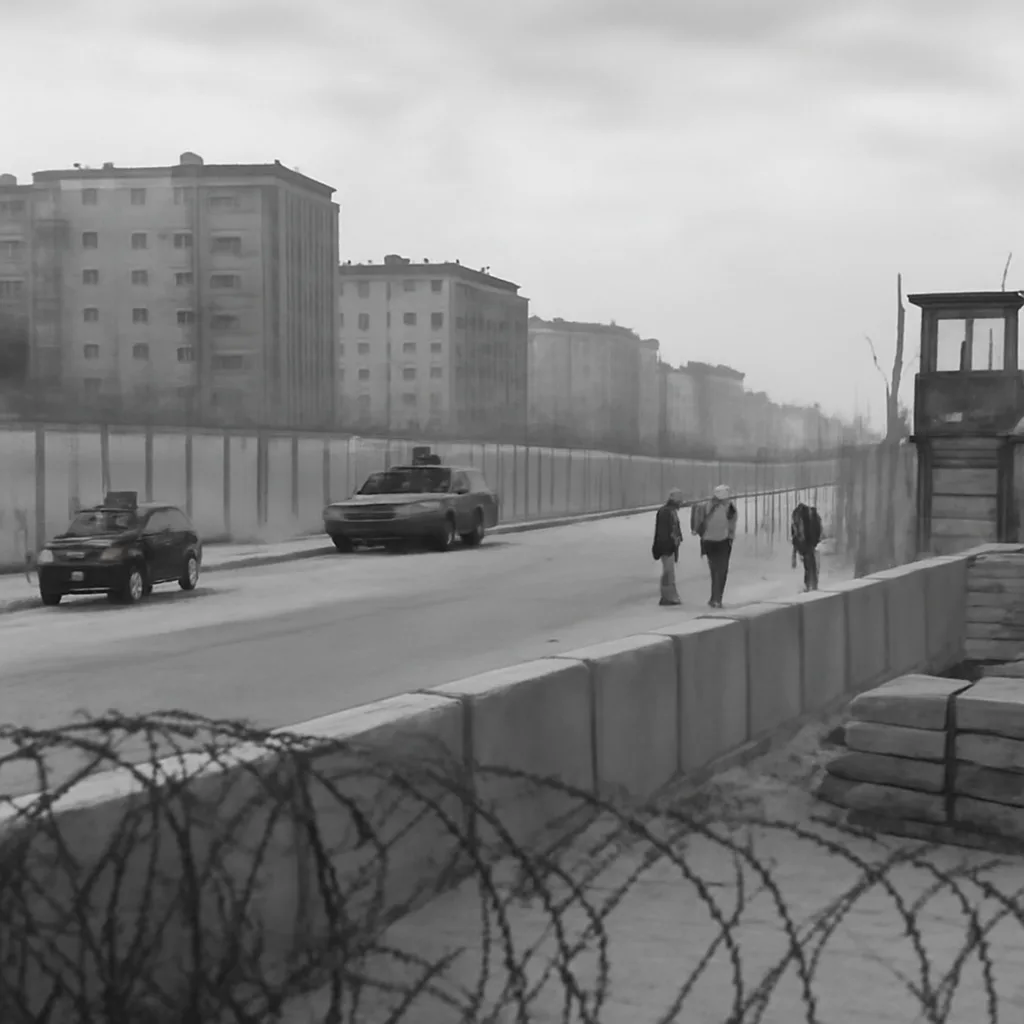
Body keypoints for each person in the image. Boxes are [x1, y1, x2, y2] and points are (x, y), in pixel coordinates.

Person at [698, 484, 737, 608]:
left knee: (714, 570)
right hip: (723, 542)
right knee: (722, 571)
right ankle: (717, 599)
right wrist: (731, 538)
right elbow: (731, 525)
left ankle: (713, 598)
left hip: (707, 542)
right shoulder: (729, 507)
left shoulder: (706, 506)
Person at [652, 488, 684, 606]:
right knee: (668, 571)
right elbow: (664, 532)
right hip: (667, 546)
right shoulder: (667, 512)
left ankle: (670, 595)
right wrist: (670, 545)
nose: (681, 503)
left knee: (669, 571)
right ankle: (668, 596)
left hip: (669, 545)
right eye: (680, 501)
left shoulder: (669, 511)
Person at [791, 501, 823, 591]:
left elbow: (798, 537)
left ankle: (810, 585)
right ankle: (811, 585)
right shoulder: (798, 522)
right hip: (807, 544)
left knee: (809, 564)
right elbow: (795, 537)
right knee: (810, 564)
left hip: (809, 543)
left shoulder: (808, 522)